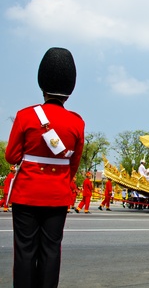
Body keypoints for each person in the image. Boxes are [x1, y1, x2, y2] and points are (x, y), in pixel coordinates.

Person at [5, 47, 85, 287]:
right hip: (57, 196)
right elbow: (73, 164)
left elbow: (11, 156)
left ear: (42, 85)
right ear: (69, 91)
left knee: (25, 251)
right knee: (51, 250)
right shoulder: (76, 122)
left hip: (26, 194)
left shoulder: (25, 116)